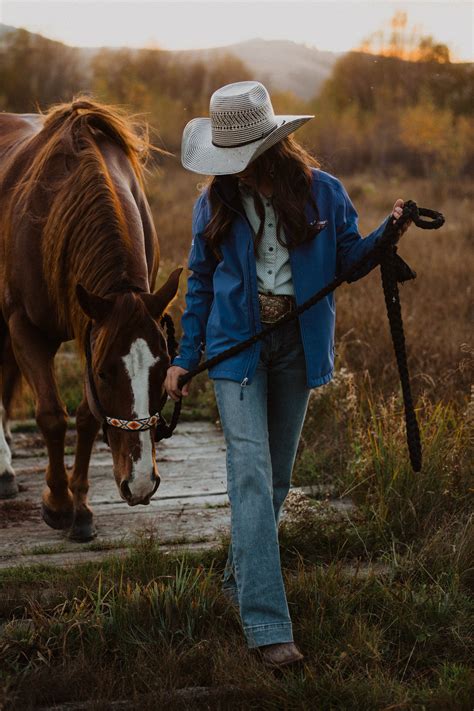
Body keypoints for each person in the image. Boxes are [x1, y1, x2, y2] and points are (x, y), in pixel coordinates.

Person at [164, 80, 409, 669]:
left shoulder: (323, 193)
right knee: (249, 473)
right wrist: (182, 357)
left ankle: (237, 583)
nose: (233, 171)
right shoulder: (215, 203)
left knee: (273, 480)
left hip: (298, 345)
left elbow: (348, 261)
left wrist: (388, 233)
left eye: (240, 160)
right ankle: (269, 627)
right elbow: (199, 284)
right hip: (234, 349)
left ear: (271, 147)